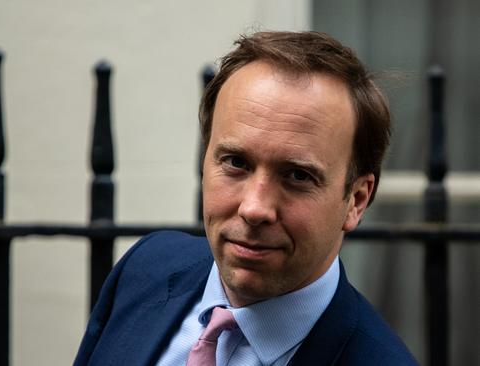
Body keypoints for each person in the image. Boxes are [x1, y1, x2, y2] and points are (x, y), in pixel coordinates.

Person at [74, 31, 418, 365]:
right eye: (236, 163)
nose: (254, 208)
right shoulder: (145, 268)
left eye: (297, 176)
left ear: (356, 200)